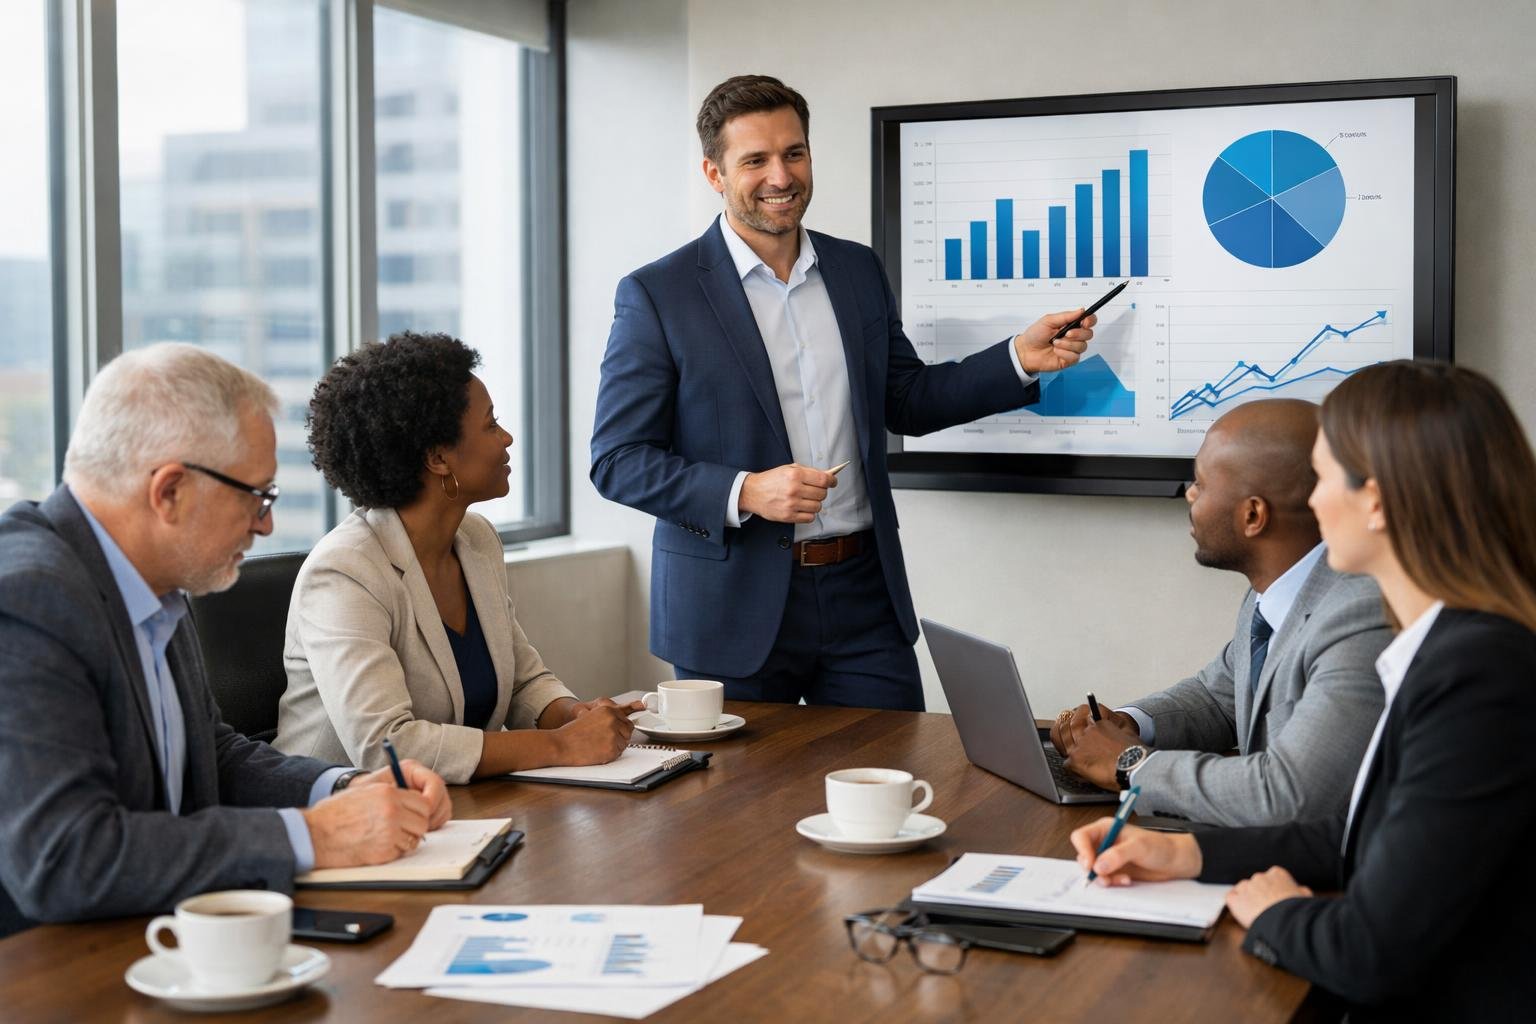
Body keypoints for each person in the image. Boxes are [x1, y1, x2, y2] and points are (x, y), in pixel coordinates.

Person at [591, 74, 1097, 710]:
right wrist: (745, 490)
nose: (781, 175)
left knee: (898, 789)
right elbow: (617, 462)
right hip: (730, 610)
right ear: (714, 173)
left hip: (864, 595)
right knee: (738, 810)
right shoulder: (657, 295)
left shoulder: (856, 269)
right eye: (755, 160)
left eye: (794, 153)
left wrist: (1016, 359)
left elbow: (906, 399)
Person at [1068, 361, 1536, 1020]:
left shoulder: (1478, 676)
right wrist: (1187, 851)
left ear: (1374, 501)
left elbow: (1372, 952)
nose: (1312, 503)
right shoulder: (1453, 648)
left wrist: (1278, 913)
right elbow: (1367, 831)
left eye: (1325, 478)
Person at [0, 343, 452, 937]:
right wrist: (316, 837)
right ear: (170, 492)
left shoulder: (153, 577)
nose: (264, 524)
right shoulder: (28, 598)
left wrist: (340, 789)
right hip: (50, 970)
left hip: (156, 936)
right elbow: (68, 858)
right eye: (256, 497)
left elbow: (208, 753)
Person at [275, 332, 641, 784]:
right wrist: (561, 745)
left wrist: (572, 715)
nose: (507, 437)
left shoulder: (476, 540)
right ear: (437, 458)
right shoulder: (345, 573)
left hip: (455, 808)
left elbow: (524, 684)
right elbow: (386, 747)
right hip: (345, 818)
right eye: (491, 424)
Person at [1048, 399, 1389, 826]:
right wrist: (1126, 723)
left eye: (1201, 484)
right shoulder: (1274, 591)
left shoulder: (1361, 615)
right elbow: (1219, 696)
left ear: (1253, 515)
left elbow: (1287, 793)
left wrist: (1131, 764)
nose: (1189, 494)